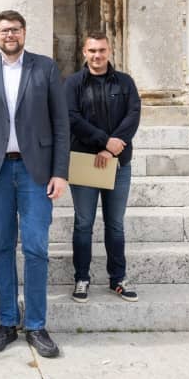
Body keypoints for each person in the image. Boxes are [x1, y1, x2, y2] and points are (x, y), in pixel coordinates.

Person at [0, 10, 70, 358]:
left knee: (36, 247)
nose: (10, 35)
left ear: (24, 32)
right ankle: (8, 321)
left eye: (15, 30)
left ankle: (36, 325)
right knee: (2, 247)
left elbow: (61, 124)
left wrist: (60, 172)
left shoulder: (45, 68)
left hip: (34, 171)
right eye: (4, 30)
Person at [64, 30, 141, 304]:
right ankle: (81, 278)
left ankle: (117, 279)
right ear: (84, 53)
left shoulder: (125, 82)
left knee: (115, 224)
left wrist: (112, 148)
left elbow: (133, 115)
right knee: (83, 223)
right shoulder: (73, 83)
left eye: (102, 50)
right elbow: (71, 117)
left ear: (109, 52)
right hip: (86, 161)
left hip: (118, 163)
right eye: (92, 51)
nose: (97, 55)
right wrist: (103, 141)